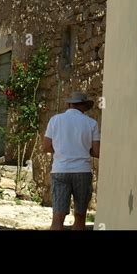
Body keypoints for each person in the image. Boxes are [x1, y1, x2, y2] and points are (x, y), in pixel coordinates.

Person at [42, 91, 100, 231]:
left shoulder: (55, 120)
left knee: (57, 219)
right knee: (80, 219)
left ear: (69, 104)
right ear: (84, 106)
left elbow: (46, 147)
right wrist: (84, 150)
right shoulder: (91, 123)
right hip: (82, 171)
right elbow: (97, 152)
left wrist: (63, 150)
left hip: (60, 170)